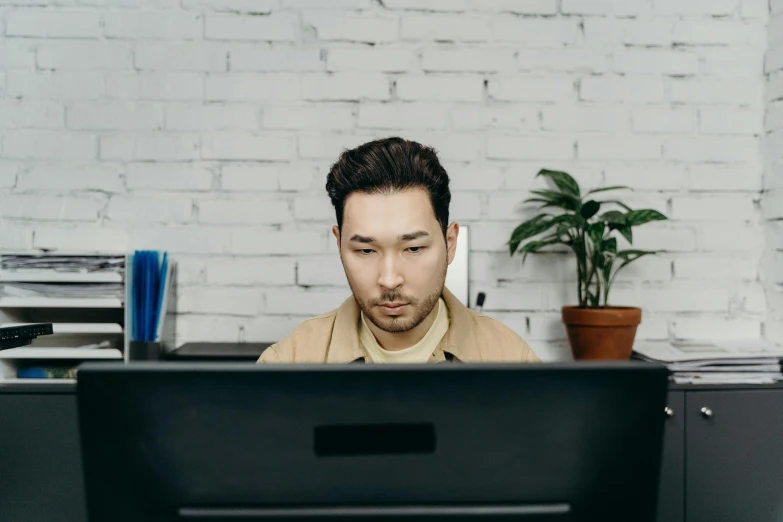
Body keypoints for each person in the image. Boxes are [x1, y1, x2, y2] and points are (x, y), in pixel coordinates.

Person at [258, 137, 539, 364]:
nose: (390, 279)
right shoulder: (289, 363)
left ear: (450, 243)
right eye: (366, 251)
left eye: (414, 248)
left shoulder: (511, 360)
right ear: (339, 244)